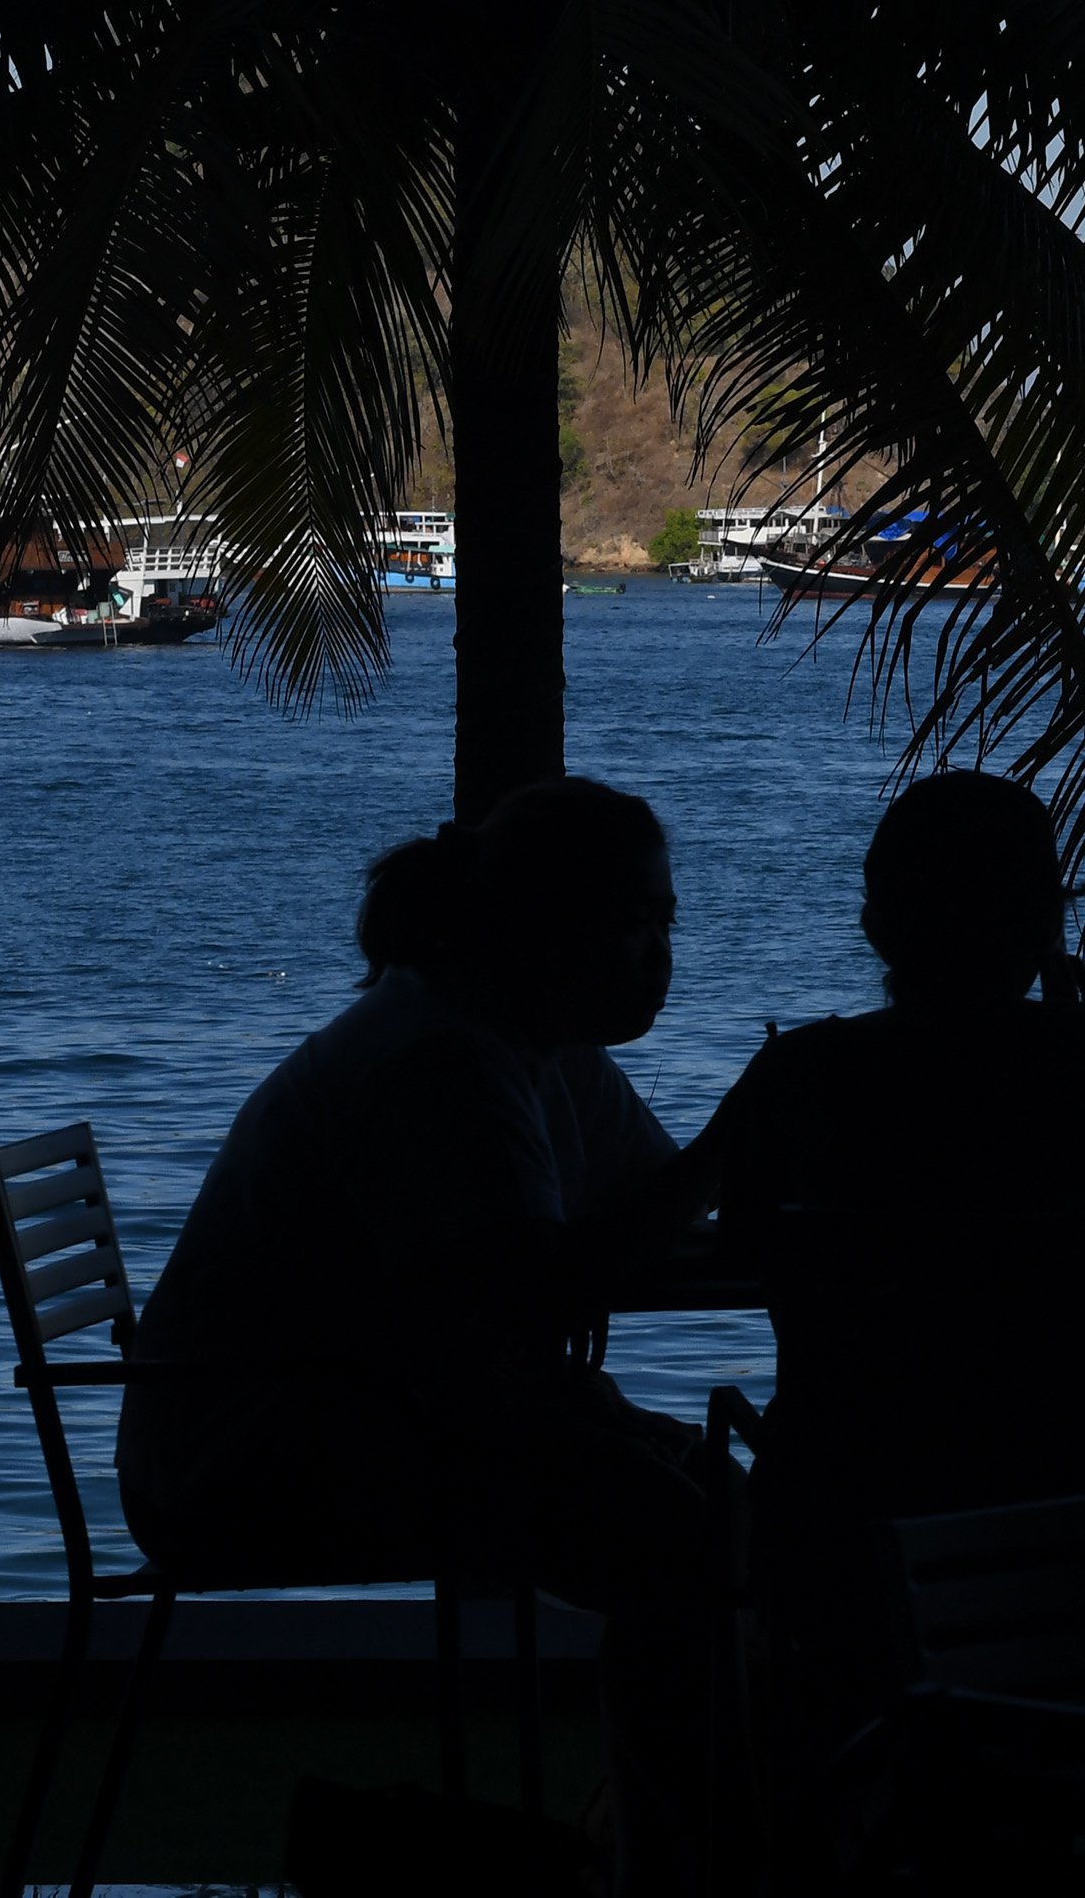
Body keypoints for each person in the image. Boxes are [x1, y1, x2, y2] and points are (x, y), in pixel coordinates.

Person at [122, 779, 710, 1895]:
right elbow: (525, 1299)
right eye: (632, 921)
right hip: (252, 1464)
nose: (656, 955)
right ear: (541, 927)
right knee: (683, 1539)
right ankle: (667, 1864)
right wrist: (745, 1147)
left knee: (701, 1508)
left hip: (357, 1415)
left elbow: (636, 1233)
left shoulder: (533, 1045)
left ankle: (646, 1850)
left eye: (665, 921)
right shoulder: (438, 1063)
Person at [688, 771, 1085, 1726]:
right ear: (1046, 924)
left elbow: (745, 1249)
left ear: (878, 927)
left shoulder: (805, 1073)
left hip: (855, 1515)